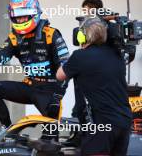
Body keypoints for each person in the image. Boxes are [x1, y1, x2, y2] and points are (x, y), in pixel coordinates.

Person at [0, 0, 69, 141]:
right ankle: (9, 130)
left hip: (49, 92)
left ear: (34, 12)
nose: (21, 19)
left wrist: (57, 96)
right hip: (28, 86)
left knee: (50, 141)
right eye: (18, 16)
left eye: (24, 15)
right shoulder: (14, 37)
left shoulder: (51, 34)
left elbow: (67, 67)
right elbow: (1, 61)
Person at [56, 16, 132, 156]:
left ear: (82, 36)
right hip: (124, 121)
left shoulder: (80, 56)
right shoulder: (117, 55)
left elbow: (59, 75)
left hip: (101, 124)